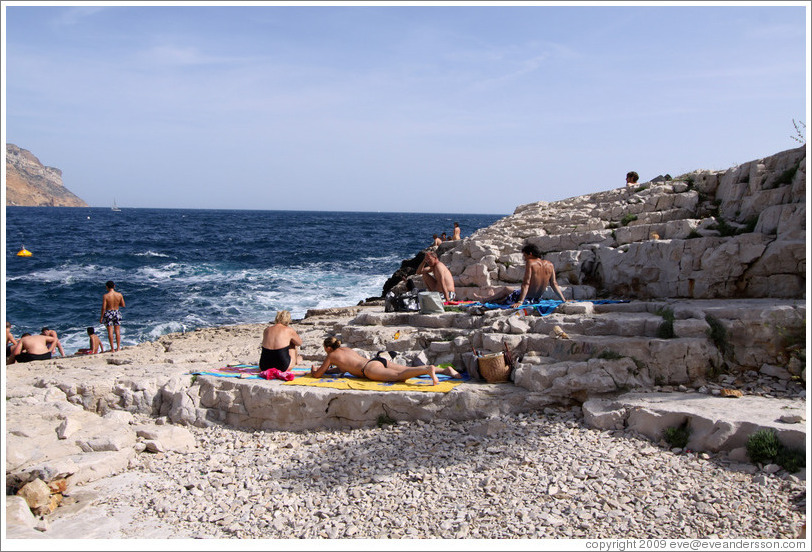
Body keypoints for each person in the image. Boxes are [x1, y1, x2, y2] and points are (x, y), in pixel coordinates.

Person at [311, 336, 462, 385]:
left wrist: (314, 371)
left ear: (328, 348)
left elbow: (318, 375)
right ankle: (445, 370)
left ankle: (427, 369)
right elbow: (344, 368)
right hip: (378, 360)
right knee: (405, 371)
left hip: (369, 370)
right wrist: (331, 371)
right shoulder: (346, 350)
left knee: (399, 377)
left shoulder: (331, 356)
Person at [482, 243, 569, 308]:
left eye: (525, 255)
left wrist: (520, 301)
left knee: (505, 291)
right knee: (507, 294)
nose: (524, 258)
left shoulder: (530, 263)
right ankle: (487, 298)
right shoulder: (550, 264)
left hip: (527, 297)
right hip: (537, 298)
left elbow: (526, 283)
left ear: (530, 254)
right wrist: (563, 300)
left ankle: (485, 299)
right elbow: (554, 284)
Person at [100, 280, 126, 352]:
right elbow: (123, 305)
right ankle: (118, 348)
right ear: (114, 286)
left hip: (109, 312)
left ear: (107, 287)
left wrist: (101, 317)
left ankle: (112, 348)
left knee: (110, 331)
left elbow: (104, 307)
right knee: (117, 331)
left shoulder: (106, 296)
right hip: (117, 312)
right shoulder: (119, 295)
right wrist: (117, 304)